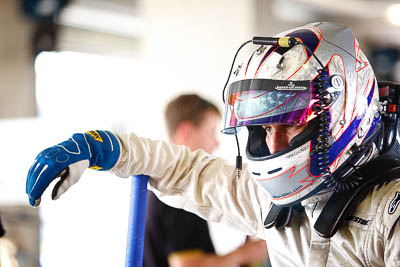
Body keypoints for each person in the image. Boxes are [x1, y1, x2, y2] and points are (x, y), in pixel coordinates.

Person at [26, 22, 400, 266]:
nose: (274, 145)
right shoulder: (270, 199)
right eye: (263, 129)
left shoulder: (390, 213)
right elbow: (184, 170)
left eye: (292, 124)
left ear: (342, 113)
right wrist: (105, 148)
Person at [143, 94, 268, 267]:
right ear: (186, 130)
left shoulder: (167, 182)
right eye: (211, 132)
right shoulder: (178, 188)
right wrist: (246, 253)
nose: (215, 143)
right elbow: (186, 265)